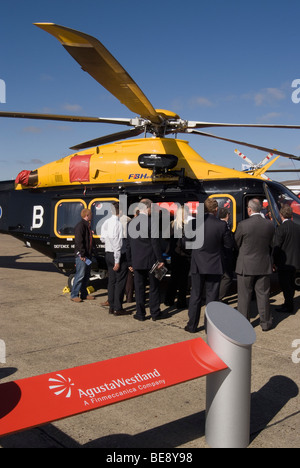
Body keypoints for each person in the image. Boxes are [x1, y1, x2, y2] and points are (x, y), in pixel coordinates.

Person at [185, 198, 233, 333]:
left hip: (197, 264)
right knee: (212, 297)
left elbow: (185, 241)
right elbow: (229, 245)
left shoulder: (194, 223)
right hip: (214, 264)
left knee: (195, 296)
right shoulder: (221, 225)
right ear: (216, 210)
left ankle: (192, 325)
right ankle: (209, 328)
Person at [235, 198, 275, 331]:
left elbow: (237, 242)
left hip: (246, 265)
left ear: (249, 209)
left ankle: (243, 324)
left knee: (244, 296)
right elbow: (271, 243)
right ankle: (266, 323)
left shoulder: (243, 224)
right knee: (263, 295)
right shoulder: (269, 224)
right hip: (263, 264)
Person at [126, 198, 165, 321]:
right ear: (147, 208)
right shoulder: (151, 222)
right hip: (151, 260)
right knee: (154, 288)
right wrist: (160, 259)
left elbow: (128, 245)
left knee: (139, 288)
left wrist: (130, 262)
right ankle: (155, 313)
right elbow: (155, 243)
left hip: (137, 261)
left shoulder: (130, 223)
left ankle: (140, 314)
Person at [100, 202, 130, 316]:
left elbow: (102, 238)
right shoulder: (117, 223)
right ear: (120, 212)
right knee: (120, 282)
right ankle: (118, 308)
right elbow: (117, 244)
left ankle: (112, 306)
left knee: (111, 281)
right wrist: (117, 261)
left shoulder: (106, 222)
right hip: (116, 254)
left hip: (108, 253)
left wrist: (109, 242)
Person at [273, 204, 300, 314]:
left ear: (281, 214)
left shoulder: (281, 229)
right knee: (291, 284)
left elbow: (276, 247)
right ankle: (288, 303)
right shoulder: (297, 227)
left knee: (285, 285)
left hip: (284, 263)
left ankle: (288, 306)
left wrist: (273, 261)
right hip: (295, 261)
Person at [164, 205, 191, 309]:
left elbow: (166, 238)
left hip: (175, 255)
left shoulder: (172, 224)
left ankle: (169, 300)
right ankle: (181, 302)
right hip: (185, 255)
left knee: (174, 278)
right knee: (183, 280)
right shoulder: (188, 225)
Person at [71, 208, 95, 302]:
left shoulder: (87, 226)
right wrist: (82, 254)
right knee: (80, 275)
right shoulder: (80, 226)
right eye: (91, 214)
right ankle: (74, 295)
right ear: (87, 215)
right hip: (82, 256)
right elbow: (79, 242)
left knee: (86, 275)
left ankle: (84, 294)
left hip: (88, 255)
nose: (92, 216)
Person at [218, 207, 236, 302]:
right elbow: (229, 243)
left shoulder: (217, 224)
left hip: (219, 255)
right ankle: (218, 297)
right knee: (228, 277)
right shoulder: (224, 226)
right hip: (225, 255)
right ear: (227, 215)